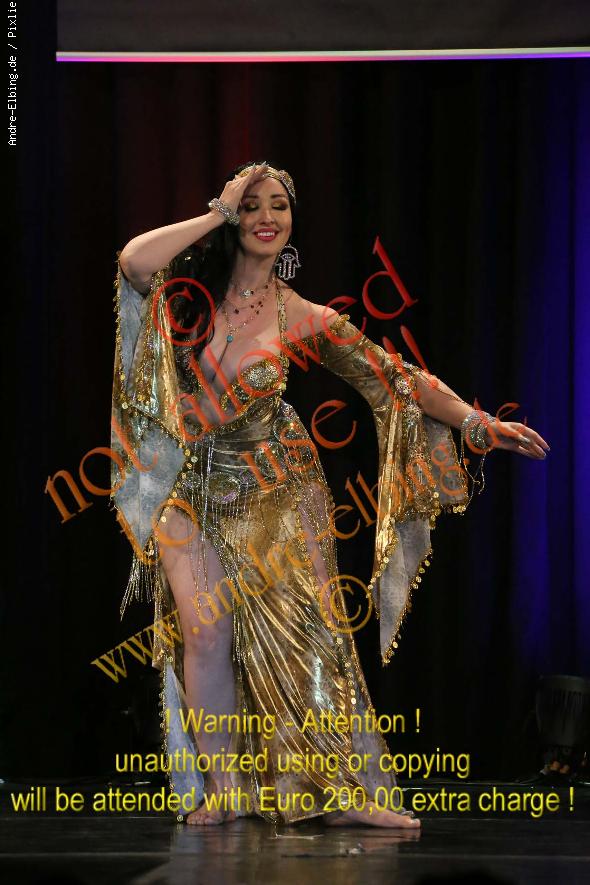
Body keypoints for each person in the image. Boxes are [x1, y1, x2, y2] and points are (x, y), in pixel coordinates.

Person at [111, 161, 550, 828]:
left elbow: (395, 377)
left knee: (315, 635)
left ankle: (341, 791)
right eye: (251, 204)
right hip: (188, 487)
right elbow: (132, 260)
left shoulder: (301, 315)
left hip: (279, 489)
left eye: (279, 205)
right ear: (231, 213)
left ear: (292, 221)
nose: (266, 216)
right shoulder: (186, 293)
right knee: (204, 633)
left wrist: (473, 422)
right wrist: (215, 211)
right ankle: (225, 788)